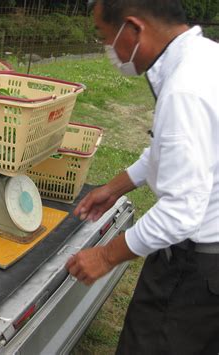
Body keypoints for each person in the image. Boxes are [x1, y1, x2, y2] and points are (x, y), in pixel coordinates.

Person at [66, 0, 219, 353]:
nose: (108, 49)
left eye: (106, 37)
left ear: (133, 29)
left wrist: (105, 256)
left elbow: (181, 213)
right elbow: (170, 151)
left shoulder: (184, 89)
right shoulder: (205, 56)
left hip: (197, 268)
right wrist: (115, 187)